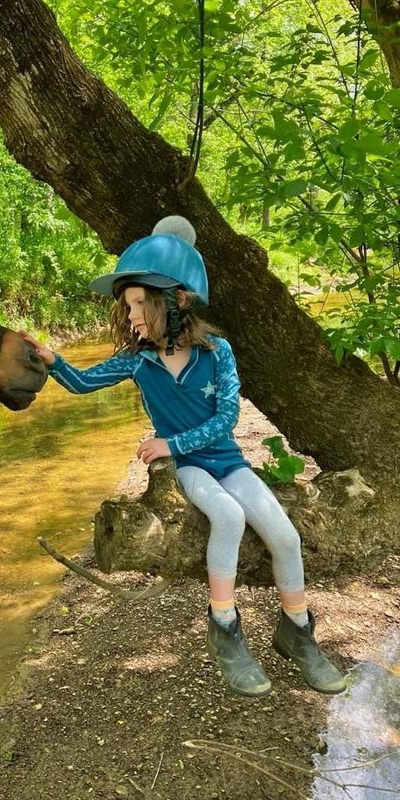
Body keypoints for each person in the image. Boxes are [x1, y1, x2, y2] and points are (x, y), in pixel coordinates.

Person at [23, 216, 345, 698]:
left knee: (285, 535)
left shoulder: (219, 352)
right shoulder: (137, 359)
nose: (130, 315)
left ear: (174, 302)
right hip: (192, 471)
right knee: (228, 517)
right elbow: (84, 382)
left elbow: (228, 419)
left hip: (227, 460)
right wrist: (53, 361)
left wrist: (168, 444)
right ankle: (225, 629)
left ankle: (297, 633)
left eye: (139, 304)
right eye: (127, 305)